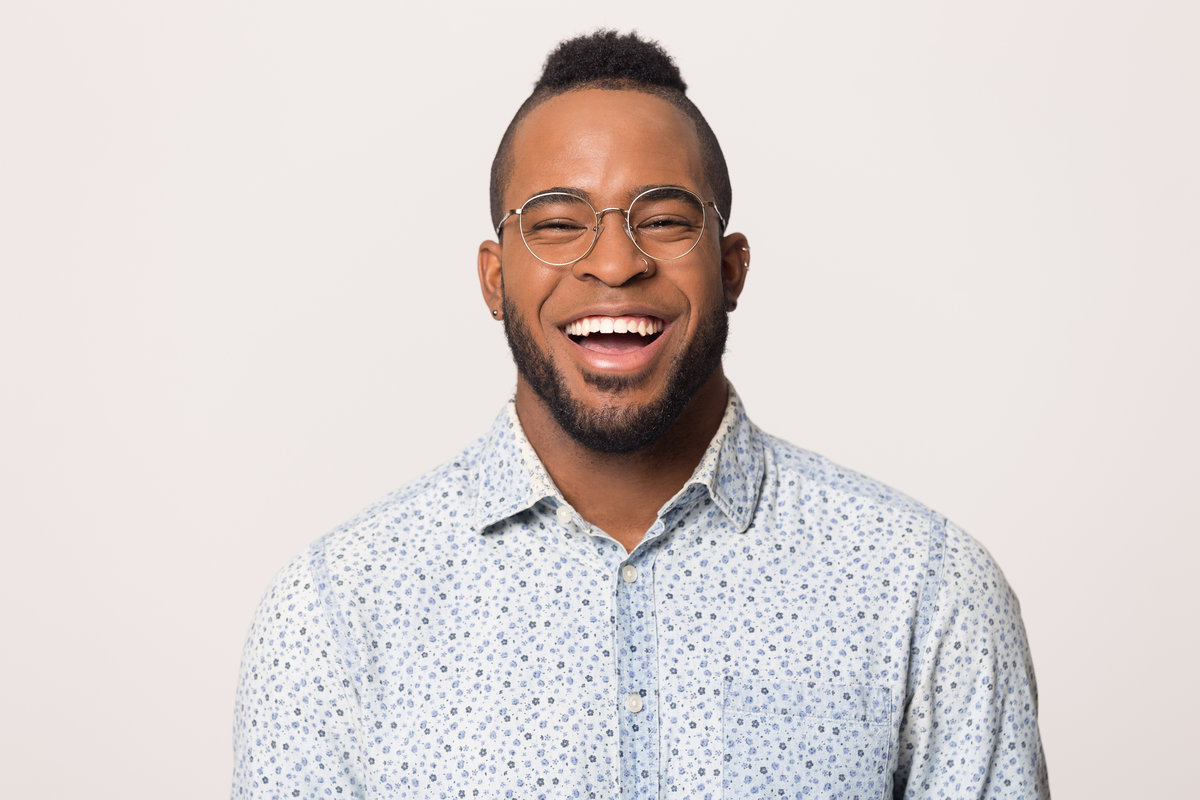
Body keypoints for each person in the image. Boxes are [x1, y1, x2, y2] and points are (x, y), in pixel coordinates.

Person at [232, 30, 1049, 799]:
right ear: (493, 279)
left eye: (662, 219)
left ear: (731, 269)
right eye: (556, 224)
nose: (616, 263)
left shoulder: (925, 590)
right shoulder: (335, 612)